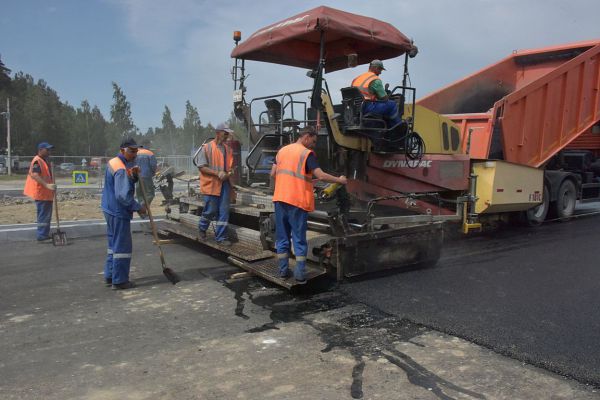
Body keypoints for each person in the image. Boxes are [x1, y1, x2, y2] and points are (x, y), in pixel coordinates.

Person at [270, 127, 348, 284]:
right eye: (313, 140)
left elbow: (274, 174)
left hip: (280, 199)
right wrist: (339, 180)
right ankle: (299, 275)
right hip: (297, 202)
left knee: (282, 237)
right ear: (306, 136)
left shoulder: (282, 151)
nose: (313, 144)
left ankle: (283, 271)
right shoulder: (306, 154)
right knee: (298, 239)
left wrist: (306, 180)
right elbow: (321, 175)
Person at [101, 137, 147, 290]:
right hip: (118, 210)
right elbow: (122, 195)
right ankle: (120, 281)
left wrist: (133, 176)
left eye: (136, 151)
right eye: (131, 151)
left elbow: (122, 184)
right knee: (122, 246)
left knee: (113, 244)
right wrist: (137, 207)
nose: (134, 154)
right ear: (122, 150)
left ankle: (110, 275)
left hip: (109, 208)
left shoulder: (116, 163)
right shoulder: (120, 168)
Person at [197, 123, 235, 246]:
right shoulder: (207, 148)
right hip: (211, 184)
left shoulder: (228, 150)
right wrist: (217, 173)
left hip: (224, 185)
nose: (227, 135)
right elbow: (202, 167)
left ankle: (221, 238)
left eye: (228, 133)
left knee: (224, 212)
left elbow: (231, 168)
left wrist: (229, 174)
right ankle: (202, 229)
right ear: (218, 132)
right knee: (210, 210)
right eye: (225, 132)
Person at [351, 59, 402, 128]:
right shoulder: (375, 79)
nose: (380, 73)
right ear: (376, 68)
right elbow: (384, 98)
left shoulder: (357, 78)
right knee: (392, 104)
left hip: (354, 108)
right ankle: (398, 127)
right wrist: (387, 95)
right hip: (367, 107)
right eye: (380, 70)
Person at [23, 142, 57, 241]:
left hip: (46, 193)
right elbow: (35, 175)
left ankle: (44, 234)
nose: (49, 151)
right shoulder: (37, 161)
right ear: (40, 150)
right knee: (44, 216)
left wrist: (51, 185)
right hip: (42, 194)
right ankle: (42, 236)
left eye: (50, 149)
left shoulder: (44, 160)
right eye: (47, 149)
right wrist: (47, 185)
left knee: (45, 215)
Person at [135, 141, 158, 207]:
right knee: (150, 193)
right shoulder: (149, 153)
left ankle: (142, 210)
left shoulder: (135, 153)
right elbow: (153, 165)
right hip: (146, 176)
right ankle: (143, 204)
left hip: (137, 176)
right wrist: (153, 173)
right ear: (146, 145)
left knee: (139, 194)